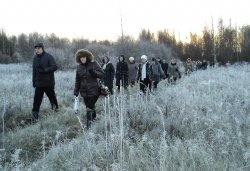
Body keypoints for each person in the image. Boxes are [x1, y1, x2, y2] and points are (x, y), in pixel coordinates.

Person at [74, 49, 104, 129]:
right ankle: (93, 121)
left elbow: (101, 74)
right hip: (84, 92)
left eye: (84, 57)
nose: (82, 59)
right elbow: (77, 80)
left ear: (87, 57)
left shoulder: (94, 64)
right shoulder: (79, 67)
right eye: (81, 57)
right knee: (91, 107)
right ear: (79, 58)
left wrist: (94, 73)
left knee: (89, 108)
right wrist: (76, 91)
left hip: (94, 90)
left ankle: (89, 127)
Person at [32, 42, 58, 121]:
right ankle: (34, 118)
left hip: (48, 83)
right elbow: (34, 71)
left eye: (39, 48)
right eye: (36, 48)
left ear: (42, 48)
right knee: (36, 101)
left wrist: (45, 70)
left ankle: (56, 113)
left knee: (52, 99)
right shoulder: (35, 58)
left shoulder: (49, 57)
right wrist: (34, 81)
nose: (37, 50)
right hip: (39, 84)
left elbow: (55, 67)